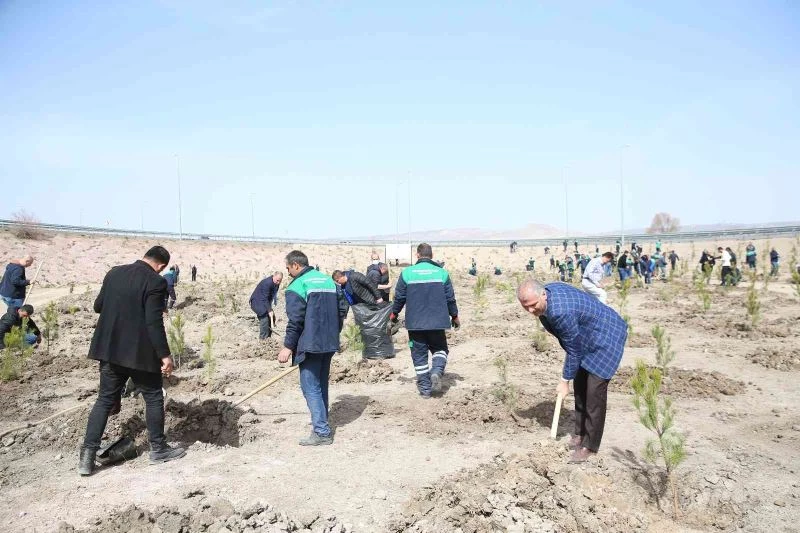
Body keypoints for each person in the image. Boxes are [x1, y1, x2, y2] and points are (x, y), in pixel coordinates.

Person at [79, 246, 185, 476]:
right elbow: (153, 323)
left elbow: (98, 306)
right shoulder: (156, 283)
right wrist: (165, 355)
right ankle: (158, 449)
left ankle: (87, 457)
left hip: (109, 349)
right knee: (154, 397)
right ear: (162, 266)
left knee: (105, 400)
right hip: (139, 353)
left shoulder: (114, 272)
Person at [517, 279, 627, 463]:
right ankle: (579, 433)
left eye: (533, 305)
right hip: (587, 335)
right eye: (525, 306)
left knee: (594, 392)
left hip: (606, 336)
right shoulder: (547, 296)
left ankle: (589, 446)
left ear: (543, 294)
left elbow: (573, 349)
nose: (530, 311)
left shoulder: (560, 311)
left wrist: (564, 380)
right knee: (581, 384)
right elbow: (573, 345)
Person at [277, 250, 346, 446]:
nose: (288, 272)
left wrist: (288, 347)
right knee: (320, 384)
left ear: (296, 265)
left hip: (311, 344)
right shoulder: (328, 281)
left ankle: (322, 432)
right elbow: (342, 310)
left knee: (310, 386)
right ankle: (322, 424)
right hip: (329, 342)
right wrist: (334, 332)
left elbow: (295, 320)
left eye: (288, 268)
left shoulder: (298, 285)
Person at [389, 243, 459, 398]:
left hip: (415, 324)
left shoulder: (407, 273)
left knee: (419, 355)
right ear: (432, 256)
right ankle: (436, 371)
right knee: (440, 349)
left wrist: (393, 314)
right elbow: (450, 298)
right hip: (437, 322)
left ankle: (425, 390)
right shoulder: (442, 273)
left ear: (418, 255)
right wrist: (455, 316)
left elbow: (399, 298)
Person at [249, 272, 283, 339]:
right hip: (256, 302)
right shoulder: (267, 283)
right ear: (273, 276)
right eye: (277, 280)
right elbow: (265, 298)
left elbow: (270, 296)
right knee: (264, 317)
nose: (278, 282)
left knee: (272, 317)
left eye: (280, 281)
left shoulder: (276, 283)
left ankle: (268, 338)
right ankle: (263, 340)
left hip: (264, 301)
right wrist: (269, 310)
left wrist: (270, 309)